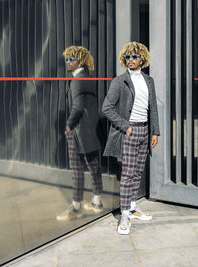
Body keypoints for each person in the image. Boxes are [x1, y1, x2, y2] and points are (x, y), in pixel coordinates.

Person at [102, 41, 160, 235]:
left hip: (145, 131)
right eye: (127, 57)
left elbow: (153, 108)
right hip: (130, 131)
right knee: (127, 174)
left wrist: (155, 131)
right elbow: (107, 108)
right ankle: (124, 214)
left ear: (141, 58)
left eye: (134, 56)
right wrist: (125, 127)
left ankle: (132, 207)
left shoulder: (148, 80)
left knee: (137, 172)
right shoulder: (119, 81)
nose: (130, 60)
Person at [57, 46, 103, 221]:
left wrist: (69, 125)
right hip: (91, 128)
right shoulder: (88, 78)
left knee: (76, 169)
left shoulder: (77, 80)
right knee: (93, 165)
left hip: (78, 130)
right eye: (67, 59)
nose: (68, 62)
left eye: (71, 59)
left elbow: (77, 107)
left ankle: (76, 207)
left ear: (81, 61)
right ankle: (97, 201)